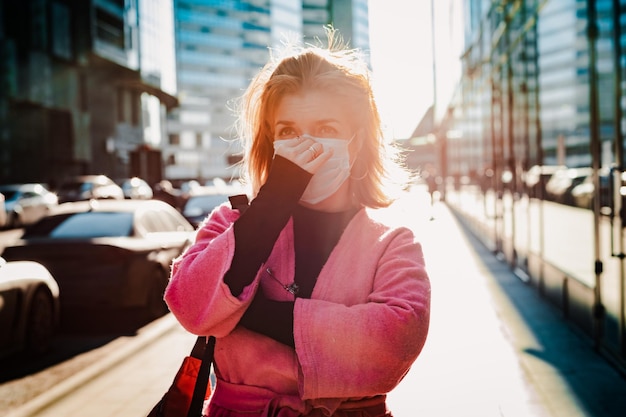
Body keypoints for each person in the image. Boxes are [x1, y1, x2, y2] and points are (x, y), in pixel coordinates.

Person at [164, 28, 431, 417]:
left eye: (327, 129)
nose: (307, 146)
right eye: (288, 131)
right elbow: (189, 305)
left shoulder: (393, 242)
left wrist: (248, 311)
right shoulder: (231, 222)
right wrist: (273, 203)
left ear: (355, 141)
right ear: (270, 142)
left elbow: (395, 342)